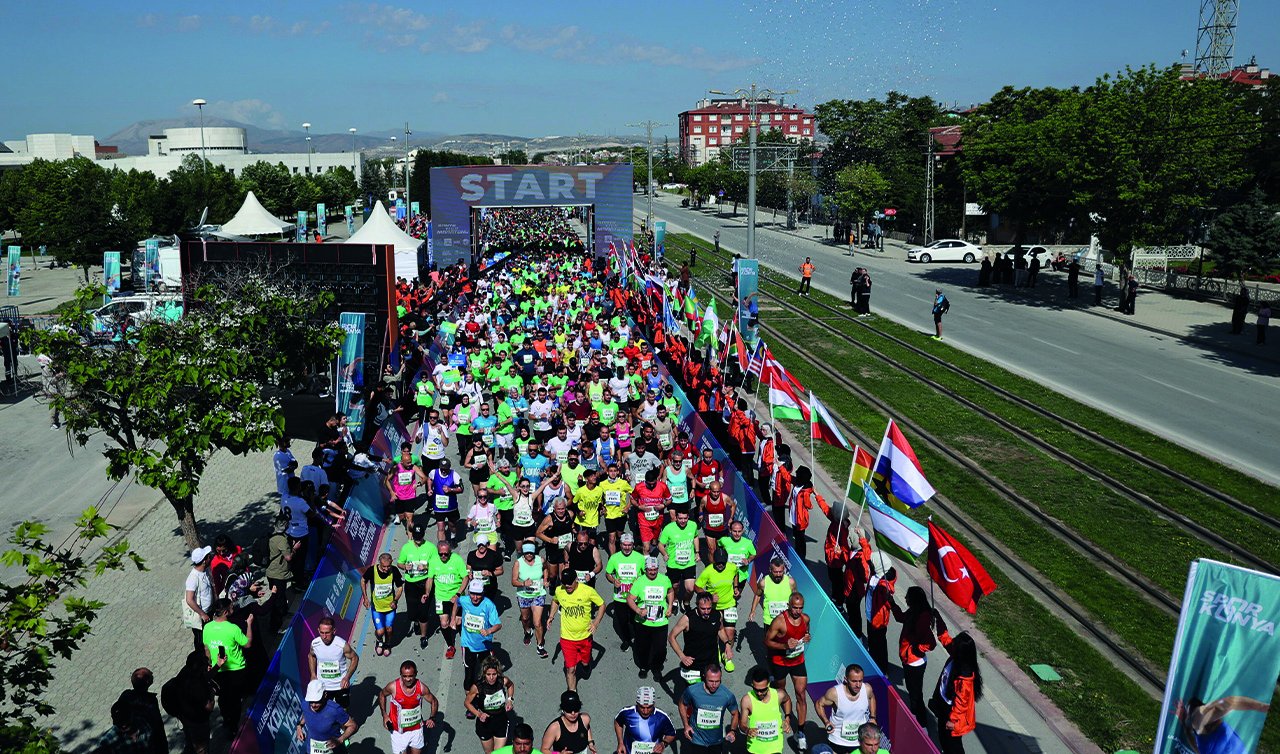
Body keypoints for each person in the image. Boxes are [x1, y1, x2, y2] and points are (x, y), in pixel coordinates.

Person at [928, 616, 984, 754]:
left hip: (951, 713)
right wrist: (938, 620)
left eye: (956, 645)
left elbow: (961, 702)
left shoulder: (964, 676)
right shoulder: (958, 655)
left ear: (961, 652)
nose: (952, 645)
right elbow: (946, 639)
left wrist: (953, 721)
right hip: (944, 706)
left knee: (952, 746)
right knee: (943, 738)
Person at [764, 593, 811, 750]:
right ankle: (786, 716)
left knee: (801, 695)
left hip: (798, 661)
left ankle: (801, 733)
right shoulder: (780, 622)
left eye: (800, 608)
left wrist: (807, 637)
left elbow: (806, 632)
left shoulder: (805, 619)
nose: (797, 611)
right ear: (789, 606)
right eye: (794, 608)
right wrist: (784, 646)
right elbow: (767, 641)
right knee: (781, 692)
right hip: (780, 662)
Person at [548, 568, 606, 691]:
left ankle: (586, 665)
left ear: (576, 580)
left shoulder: (588, 591)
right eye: (565, 583)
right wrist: (551, 616)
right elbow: (555, 601)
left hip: (585, 637)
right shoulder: (560, 590)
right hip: (567, 638)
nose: (567, 586)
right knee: (571, 669)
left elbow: (602, 605)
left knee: (585, 663)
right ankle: (572, 694)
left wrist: (596, 623)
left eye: (570, 583)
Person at [202, 599, 252, 729]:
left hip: (218, 670)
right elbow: (247, 644)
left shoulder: (207, 627)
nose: (233, 609)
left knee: (224, 697)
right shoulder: (233, 628)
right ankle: (233, 725)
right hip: (236, 669)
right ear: (225, 612)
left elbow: (206, 649)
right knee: (235, 699)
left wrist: (210, 663)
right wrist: (249, 624)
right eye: (231, 608)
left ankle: (226, 719)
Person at [627, 556, 675, 679]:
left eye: (655, 569)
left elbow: (670, 591)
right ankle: (644, 666)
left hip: (660, 621)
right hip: (643, 622)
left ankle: (656, 667)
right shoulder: (639, 581)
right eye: (650, 570)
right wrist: (638, 610)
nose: (653, 572)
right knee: (643, 647)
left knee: (660, 648)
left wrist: (670, 606)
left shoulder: (664, 580)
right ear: (645, 569)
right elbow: (630, 599)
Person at [896, 585, 938, 727]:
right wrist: (891, 603)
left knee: (916, 694)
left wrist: (916, 649)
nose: (905, 598)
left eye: (907, 596)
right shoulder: (913, 611)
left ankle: (922, 723)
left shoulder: (922, 617)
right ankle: (916, 717)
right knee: (912, 690)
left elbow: (931, 643)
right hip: (908, 660)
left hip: (915, 662)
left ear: (913, 599)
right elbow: (900, 617)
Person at [160, 651, 216, 754]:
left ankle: (191, 748)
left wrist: (217, 667)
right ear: (199, 667)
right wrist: (212, 695)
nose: (207, 667)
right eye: (204, 665)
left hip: (185, 716)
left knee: (190, 737)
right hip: (198, 721)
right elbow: (209, 707)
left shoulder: (186, 672)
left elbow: (203, 678)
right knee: (201, 745)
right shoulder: (196, 687)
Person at [670, 592, 731, 686]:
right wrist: (682, 656)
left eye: (709, 608)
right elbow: (671, 637)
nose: (706, 612)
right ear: (697, 605)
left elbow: (721, 629)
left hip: (712, 661)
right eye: (703, 609)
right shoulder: (688, 618)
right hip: (693, 664)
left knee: (712, 691)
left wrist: (727, 644)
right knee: (694, 695)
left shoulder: (717, 615)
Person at [1175, 694, 1271, 754]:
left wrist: (1261, 707)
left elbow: (1231, 702)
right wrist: (1261, 707)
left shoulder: (1199, 722)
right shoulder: (1199, 720)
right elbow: (1231, 702)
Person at [693, 549, 740, 670]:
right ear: (714, 561)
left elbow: (736, 574)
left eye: (723, 563)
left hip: (730, 604)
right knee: (717, 631)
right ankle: (717, 650)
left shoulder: (732, 567)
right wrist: (708, 596)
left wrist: (735, 587)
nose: (720, 565)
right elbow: (697, 587)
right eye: (718, 562)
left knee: (730, 633)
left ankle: (727, 657)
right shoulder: (708, 571)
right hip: (714, 607)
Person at [379, 660, 438, 754]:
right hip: (398, 732)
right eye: (404, 676)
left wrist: (432, 717)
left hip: (416, 730)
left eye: (410, 676)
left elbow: (434, 701)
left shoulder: (421, 687)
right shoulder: (393, 687)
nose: (408, 679)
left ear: (416, 674)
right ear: (400, 675)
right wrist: (384, 715)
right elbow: (382, 695)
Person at [814, 664, 876, 754]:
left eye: (860, 681)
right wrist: (826, 722)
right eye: (854, 681)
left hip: (859, 739)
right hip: (837, 739)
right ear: (846, 679)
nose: (858, 685)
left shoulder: (867, 689)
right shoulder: (835, 693)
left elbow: (872, 698)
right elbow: (819, 704)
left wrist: (873, 717)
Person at [678, 663, 739, 754]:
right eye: (710, 681)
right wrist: (686, 725)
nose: (714, 685)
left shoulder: (727, 695)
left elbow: (735, 713)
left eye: (717, 681)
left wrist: (733, 730)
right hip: (697, 740)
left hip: (716, 741)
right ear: (704, 677)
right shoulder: (692, 691)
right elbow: (682, 704)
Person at [457, 580, 503, 693]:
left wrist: (489, 630)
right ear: (468, 592)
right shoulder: (464, 600)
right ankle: (470, 700)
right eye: (472, 593)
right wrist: (455, 617)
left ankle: (485, 696)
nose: (475, 597)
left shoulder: (488, 605)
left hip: (484, 645)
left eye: (478, 594)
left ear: (483, 593)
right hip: (467, 644)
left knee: (486, 673)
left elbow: (498, 624)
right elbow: (457, 602)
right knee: (469, 674)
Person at [426, 539, 469, 659]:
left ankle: (465, 643)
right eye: (441, 554)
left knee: (459, 621)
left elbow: (465, 578)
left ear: (450, 552)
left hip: (456, 596)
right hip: (441, 597)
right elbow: (430, 579)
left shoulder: (456, 560)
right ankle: (450, 645)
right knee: (444, 623)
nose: (443, 556)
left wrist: (458, 594)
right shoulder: (434, 561)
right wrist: (427, 593)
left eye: (446, 554)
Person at [399, 524, 439, 649]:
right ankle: (416, 621)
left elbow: (436, 565)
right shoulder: (406, 547)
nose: (418, 540)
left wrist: (426, 567)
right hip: (411, 584)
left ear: (423, 535)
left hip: (425, 582)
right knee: (412, 611)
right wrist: (405, 567)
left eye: (419, 537)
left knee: (423, 611)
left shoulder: (431, 548)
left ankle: (423, 636)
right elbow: (400, 563)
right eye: (415, 537)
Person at [464, 656, 516, 752]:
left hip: (501, 721)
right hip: (485, 724)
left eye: (494, 674)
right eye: (488, 674)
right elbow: (467, 703)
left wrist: (510, 699)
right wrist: (479, 714)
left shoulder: (502, 680)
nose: (491, 678)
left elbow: (510, 685)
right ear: (484, 674)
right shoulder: (477, 687)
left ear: (498, 673)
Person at [605, 532, 646, 650]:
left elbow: (646, 575)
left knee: (635, 620)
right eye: (624, 545)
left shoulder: (639, 558)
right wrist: (613, 580)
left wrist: (639, 582)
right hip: (620, 597)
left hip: (635, 597)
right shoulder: (614, 558)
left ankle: (637, 638)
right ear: (620, 544)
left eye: (629, 545)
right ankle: (627, 640)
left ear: (633, 545)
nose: (627, 547)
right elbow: (608, 573)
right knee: (622, 621)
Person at [739, 665, 792, 754]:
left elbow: (787, 700)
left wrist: (787, 718)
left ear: (768, 684)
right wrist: (747, 730)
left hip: (775, 748)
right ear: (752, 684)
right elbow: (742, 724)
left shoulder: (779, 695)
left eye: (763, 690)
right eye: (756, 689)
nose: (759, 693)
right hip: (756, 749)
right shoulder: (747, 700)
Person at [309, 616, 359, 709]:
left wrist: (347, 677)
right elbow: (311, 656)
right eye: (321, 633)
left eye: (327, 633)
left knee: (343, 710)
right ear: (318, 630)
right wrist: (313, 674)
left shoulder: (341, 644)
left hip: (340, 686)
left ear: (334, 631)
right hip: (323, 686)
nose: (324, 636)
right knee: (324, 711)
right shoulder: (315, 644)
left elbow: (354, 658)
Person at [512, 542, 551, 658]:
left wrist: (545, 579)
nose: (529, 555)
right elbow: (513, 581)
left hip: (538, 594)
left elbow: (546, 569)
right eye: (526, 553)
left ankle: (540, 646)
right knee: (525, 618)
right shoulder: (518, 563)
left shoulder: (541, 560)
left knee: (537, 622)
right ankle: (527, 631)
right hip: (524, 595)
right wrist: (523, 583)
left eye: (531, 553)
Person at [362, 552, 405, 657]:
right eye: (384, 567)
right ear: (379, 564)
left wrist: (395, 600)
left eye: (388, 566)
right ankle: (379, 641)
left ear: (391, 563)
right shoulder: (372, 571)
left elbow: (400, 588)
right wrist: (365, 598)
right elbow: (363, 580)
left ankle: (387, 644)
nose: (386, 569)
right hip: (377, 608)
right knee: (380, 631)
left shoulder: (394, 571)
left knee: (389, 629)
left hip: (390, 607)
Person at [115, 668, 166, 754]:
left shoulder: (126, 695)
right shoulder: (150, 701)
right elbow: (158, 727)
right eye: (151, 675)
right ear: (147, 682)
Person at [298, 679, 358, 752]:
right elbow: (306, 713)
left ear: (325, 695)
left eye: (317, 701)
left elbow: (353, 726)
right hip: (312, 749)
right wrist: (299, 726)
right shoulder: (305, 704)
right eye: (311, 701)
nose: (313, 705)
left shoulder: (335, 710)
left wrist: (340, 740)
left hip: (334, 749)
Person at [614, 686, 678, 754]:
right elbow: (618, 722)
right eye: (642, 707)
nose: (645, 711)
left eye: (649, 707)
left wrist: (663, 744)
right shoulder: (627, 713)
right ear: (637, 704)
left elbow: (671, 734)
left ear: (653, 704)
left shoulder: (662, 717)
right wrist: (620, 743)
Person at [864, 568, 899, 673]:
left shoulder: (885, 588)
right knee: (873, 642)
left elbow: (888, 601)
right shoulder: (877, 579)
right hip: (871, 616)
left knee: (879, 645)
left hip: (878, 622)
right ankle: (873, 661)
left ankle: (882, 669)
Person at [541, 690, 598, 754]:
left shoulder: (585, 719)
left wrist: (590, 743)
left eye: (576, 709)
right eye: (569, 710)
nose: (573, 713)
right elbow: (544, 750)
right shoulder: (555, 728)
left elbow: (587, 727)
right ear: (563, 710)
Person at [386, 449, 426, 532]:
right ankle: (401, 517)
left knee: (409, 518)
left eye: (410, 461)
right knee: (402, 515)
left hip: (410, 496)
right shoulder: (396, 468)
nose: (410, 464)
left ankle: (411, 538)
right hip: (399, 497)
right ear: (402, 462)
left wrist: (418, 484)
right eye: (407, 462)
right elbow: (387, 480)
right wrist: (392, 492)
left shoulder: (413, 467)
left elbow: (424, 478)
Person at [184, 546, 214, 651]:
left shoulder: (204, 572)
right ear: (204, 561)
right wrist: (202, 614)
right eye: (208, 557)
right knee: (201, 640)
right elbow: (189, 599)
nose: (210, 557)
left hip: (209, 611)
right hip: (201, 617)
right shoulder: (193, 578)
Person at [466, 532, 506, 601]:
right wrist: (469, 573)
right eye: (479, 545)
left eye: (483, 545)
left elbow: (500, 571)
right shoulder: (471, 555)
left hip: (489, 587)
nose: (481, 547)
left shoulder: (494, 555)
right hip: (475, 586)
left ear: (487, 544)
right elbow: (468, 567)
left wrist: (490, 573)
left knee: (487, 606)